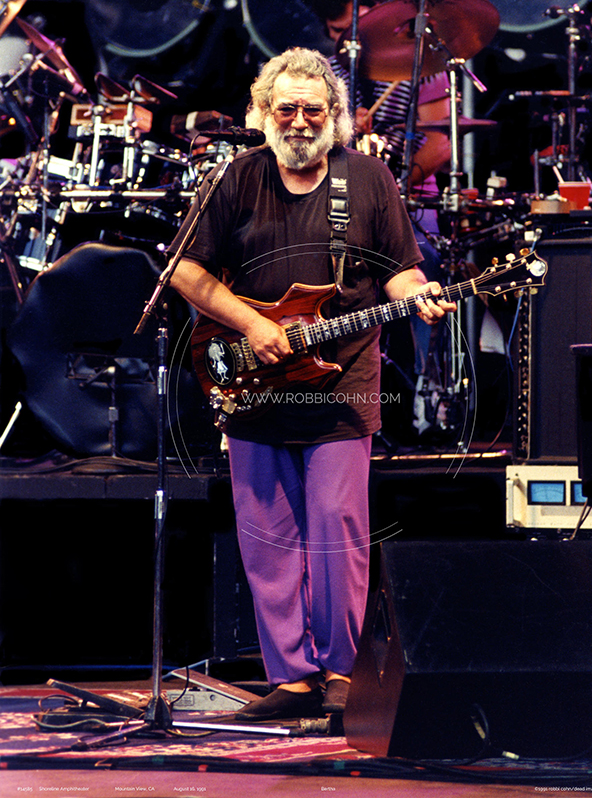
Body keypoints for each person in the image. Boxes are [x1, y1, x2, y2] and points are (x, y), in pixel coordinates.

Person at [168, 47, 455, 720]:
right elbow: (183, 271)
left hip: (342, 379)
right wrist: (251, 324)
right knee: (266, 535)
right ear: (263, 112)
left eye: (313, 110)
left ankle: (340, 671)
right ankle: (291, 678)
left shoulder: (369, 179)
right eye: (287, 109)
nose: (299, 121)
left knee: (337, 529)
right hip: (254, 377)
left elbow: (400, 271)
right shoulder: (235, 177)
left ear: (337, 116)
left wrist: (419, 294)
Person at [307, 0, 455, 438]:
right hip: (339, 205)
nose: (345, 39)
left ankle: (423, 397)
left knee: (424, 264)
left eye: (350, 27)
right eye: (335, 31)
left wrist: (392, 186)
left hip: (412, 202)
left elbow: (441, 143)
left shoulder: (423, 68)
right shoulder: (327, 74)